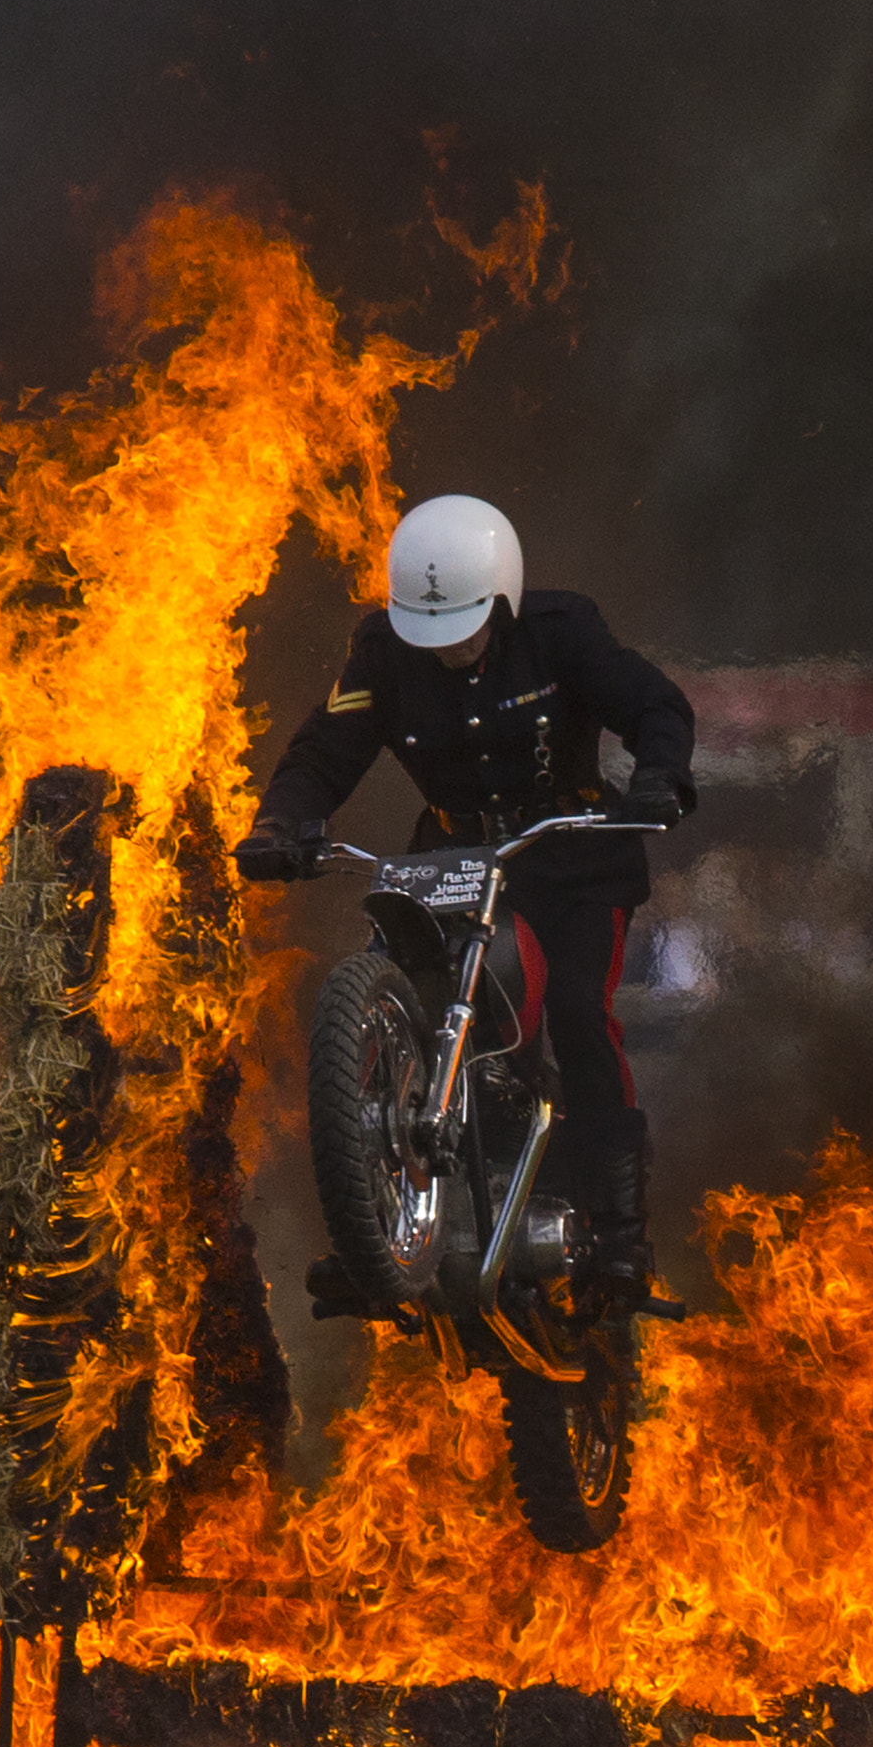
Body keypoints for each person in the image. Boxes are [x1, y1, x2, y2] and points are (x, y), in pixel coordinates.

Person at [234, 494, 697, 1305]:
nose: (445, 653)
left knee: (584, 1017)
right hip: (453, 860)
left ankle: (622, 1240)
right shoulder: (380, 652)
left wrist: (659, 775)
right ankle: (373, 1229)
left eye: (464, 634)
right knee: (394, 991)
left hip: (570, 861)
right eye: (429, 635)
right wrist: (282, 823)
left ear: (503, 600)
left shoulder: (562, 632)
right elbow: (324, 750)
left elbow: (654, 704)